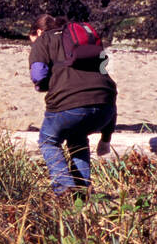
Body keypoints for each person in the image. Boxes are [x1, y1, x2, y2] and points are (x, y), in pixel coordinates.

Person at [28, 15, 117, 194]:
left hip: (69, 103)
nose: (32, 44)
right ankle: (83, 191)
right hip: (106, 104)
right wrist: (106, 139)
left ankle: (64, 187)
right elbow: (102, 68)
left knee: (48, 141)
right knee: (78, 138)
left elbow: (38, 74)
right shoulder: (82, 39)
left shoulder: (44, 40)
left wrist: (44, 86)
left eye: (31, 41)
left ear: (38, 32)